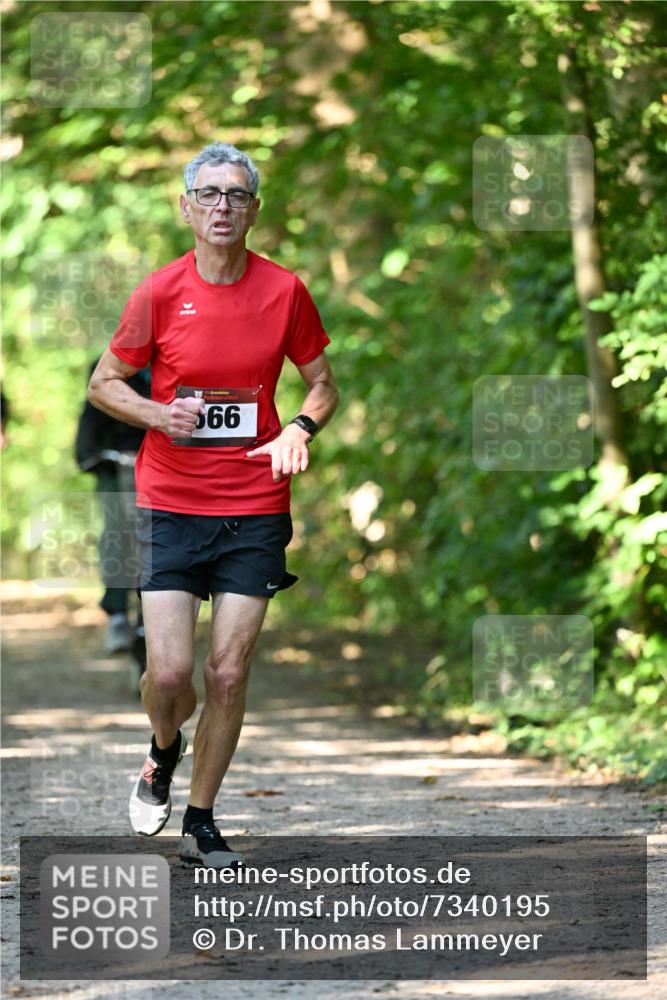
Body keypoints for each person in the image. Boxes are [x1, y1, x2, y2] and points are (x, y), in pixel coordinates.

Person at [87, 142, 339, 868]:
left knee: (227, 672)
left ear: (254, 210)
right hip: (170, 501)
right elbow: (104, 384)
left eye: (236, 195)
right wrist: (158, 415)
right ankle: (163, 748)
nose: (222, 206)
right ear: (186, 207)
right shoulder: (159, 293)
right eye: (209, 193)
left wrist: (299, 427)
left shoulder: (284, 291)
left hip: (254, 504)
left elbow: (322, 384)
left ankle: (200, 819)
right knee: (169, 675)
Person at [76, 360, 150, 655]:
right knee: (116, 530)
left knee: (162, 532)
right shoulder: (109, 364)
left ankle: (158, 610)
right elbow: (91, 416)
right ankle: (117, 614)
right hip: (113, 464)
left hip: (159, 464)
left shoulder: (171, 363)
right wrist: (89, 455)